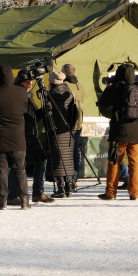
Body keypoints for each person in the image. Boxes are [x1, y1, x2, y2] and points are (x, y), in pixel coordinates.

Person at [0, 65, 30, 210]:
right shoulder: (22, 92)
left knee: (0, 170)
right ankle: (24, 200)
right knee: (20, 170)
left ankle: (1, 200)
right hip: (18, 137)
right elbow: (24, 110)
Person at [98, 63, 138, 200]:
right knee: (135, 163)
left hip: (119, 132)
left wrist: (108, 88)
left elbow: (103, 103)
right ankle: (135, 193)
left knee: (114, 162)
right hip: (137, 132)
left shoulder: (116, 88)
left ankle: (111, 192)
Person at [17, 73, 51, 205]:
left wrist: (44, 110)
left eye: (31, 83)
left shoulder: (29, 96)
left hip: (32, 134)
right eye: (28, 83)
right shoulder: (18, 96)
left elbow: (35, 115)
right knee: (19, 165)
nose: (30, 85)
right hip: (22, 134)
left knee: (41, 160)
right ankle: (16, 194)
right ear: (21, 82)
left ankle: (38, 193)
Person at [46, 71, 78, 199]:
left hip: (55, 130)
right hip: (67, 130)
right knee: (67, 159)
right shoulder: (69, 93)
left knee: (56, 158)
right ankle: (69, 187)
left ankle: (60, 189)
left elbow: (46, 112)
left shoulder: (50, 94)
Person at [61, 63, 86, 192]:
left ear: (64, 73)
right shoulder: (80, 86)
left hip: (66, 123)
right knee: (75, 151)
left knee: (65, 153)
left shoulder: (64, 86)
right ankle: (74, 177)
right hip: (78, 122)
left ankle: (67, 179)